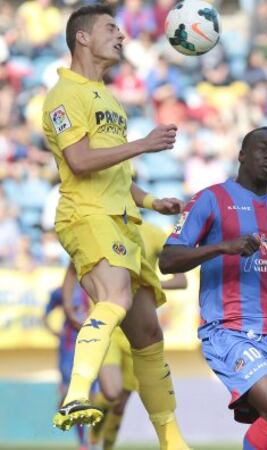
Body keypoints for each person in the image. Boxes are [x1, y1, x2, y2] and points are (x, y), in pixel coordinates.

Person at [42, 4, 190, 450]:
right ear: (82, 38)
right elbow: (81, 162)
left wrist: (149, 200)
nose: (121, 37)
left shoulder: (109, 100)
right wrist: (143, 145)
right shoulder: (64, 96)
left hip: (123, 218)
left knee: (148, 332)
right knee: (117, 297)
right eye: (111, 28)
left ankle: (172, 441)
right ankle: (74, 396)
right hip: (85, 215)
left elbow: (117, 176)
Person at [159, 126, 267, 450]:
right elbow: (168, 260)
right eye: (261, 149)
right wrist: (223, 247)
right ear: (241, 155)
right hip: (229, 332)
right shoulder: (211, 199)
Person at [63, 221, 187, 450]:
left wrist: (147, 283)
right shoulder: (102, 225)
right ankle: (92, 434)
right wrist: (68, 306)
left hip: (139, 331)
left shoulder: (154, 233)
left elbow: (181, 280)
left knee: (120, 405)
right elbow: (72, 267)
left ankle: (105, 446)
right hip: (107, 327)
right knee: (112, 392)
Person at [43, 273, 95, 450]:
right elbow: (45, 314)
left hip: (92, 347)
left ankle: (92, 439)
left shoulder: (96, 288)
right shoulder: (61, 292)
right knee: (75, 396)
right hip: (69, 350)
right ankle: (83, 443)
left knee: (92, 397)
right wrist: (56, 333)